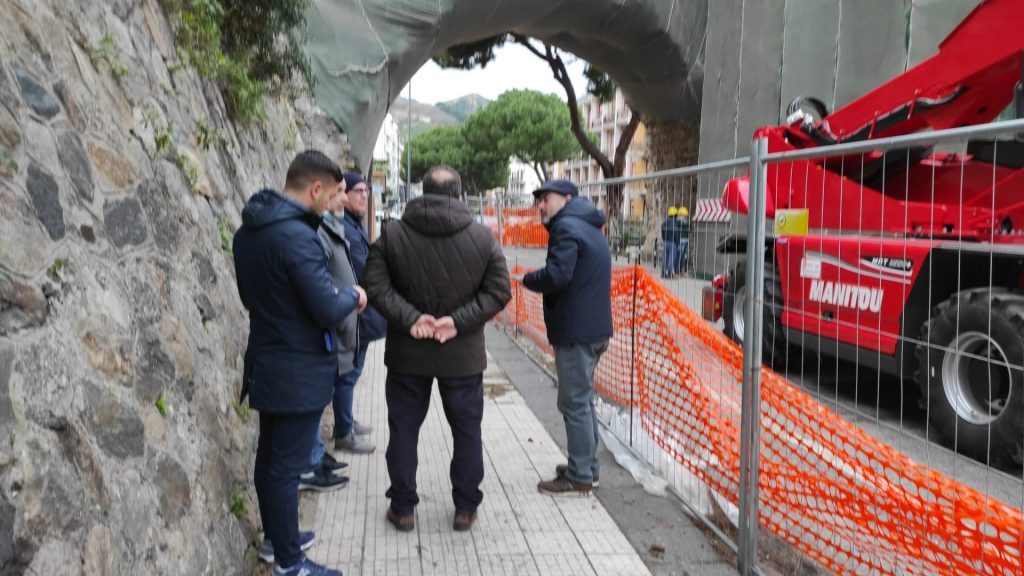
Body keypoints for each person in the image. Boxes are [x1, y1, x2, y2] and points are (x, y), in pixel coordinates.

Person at [233, 150, 366, 576]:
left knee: (270, 458)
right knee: (286, 468)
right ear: (315, 188)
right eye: (332, 194)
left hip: (267, 361)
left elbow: (252, 299)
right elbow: (326, 307)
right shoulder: (297, 237)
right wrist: (353, 296)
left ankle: (278, 541)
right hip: (297, 370)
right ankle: (291, 564)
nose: (332, 203)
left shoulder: (249, 232)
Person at [363, 165, 511, 533]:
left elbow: (375, 286)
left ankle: (402, 508)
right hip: (462, 356)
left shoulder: (392, 234)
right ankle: (465, 507)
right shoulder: (483, 238)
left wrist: (412, 318)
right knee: (467, 432)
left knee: (403, 431)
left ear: (422, 192)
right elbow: (498, 291)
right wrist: (457, 322)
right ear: (459, 195)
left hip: (407, 354)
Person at [523, 179, 612, 497]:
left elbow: (557, 275)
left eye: (545, 198)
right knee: (583, 402)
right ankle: (587, 467)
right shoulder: (589, 225)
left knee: (574, 403)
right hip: (594, 330)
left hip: (576, 332)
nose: (540, 206)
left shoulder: (566, 227)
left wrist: (527, 278)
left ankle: (579, 475)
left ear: (567, 198)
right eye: (538, 200)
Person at [294, 178, 358, 496]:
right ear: (318, 190)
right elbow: (323, 289)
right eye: (340, 191)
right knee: (316, 400)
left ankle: (315, 455)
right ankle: (310, 462)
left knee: (319, 401)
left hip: (335, 327)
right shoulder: (315, 232)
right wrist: (350, 296)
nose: (343, 198)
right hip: (325, 331)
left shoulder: (327, 228)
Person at [331, 172, 387, 454]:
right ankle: (344, 432)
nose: (364, 196)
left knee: (352, 371)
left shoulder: (354, 225)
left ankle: (346, 422)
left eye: (366, 191)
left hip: (360, 312)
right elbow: (365, 271)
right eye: (358, 191)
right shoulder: (348, 228)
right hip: (357, 313)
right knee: (348, 374)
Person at [660, 206, 680, 278]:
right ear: (675, 215)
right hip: (672, 242)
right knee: (671, 258)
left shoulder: (665, 222)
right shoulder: (674, 223)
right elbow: (676, 234)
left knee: (665, 257)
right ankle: (669, 273)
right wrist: (678, 243)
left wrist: (664, 239)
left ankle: (663, 272)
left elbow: (662, 232)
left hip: (666, 241)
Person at [675, 206, 691, 275]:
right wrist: (689, 225)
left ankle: (680, 270)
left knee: (683, 256)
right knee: (679, 256)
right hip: (681, 240)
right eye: (685, 215)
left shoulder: (685, 222)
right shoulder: (678, 221)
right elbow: (686, 226)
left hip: (685, 240)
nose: (686, 216)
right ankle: (677, 270)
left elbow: (690, 229)